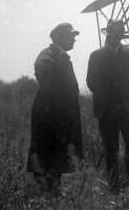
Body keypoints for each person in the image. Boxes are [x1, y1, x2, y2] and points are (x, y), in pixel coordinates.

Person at [87, 19, 129, 191]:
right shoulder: (96, 56)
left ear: (122, 35)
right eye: (112, 33)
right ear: (107, 34)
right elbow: (91, 82)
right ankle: (114, 188)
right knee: (110, 150)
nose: (115, 37)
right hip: (106, 111)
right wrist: (108, 93)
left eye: (119, 33)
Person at [27, 23, 83, 194]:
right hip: (50, 117)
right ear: (58, 37)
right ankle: (44, 195)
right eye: (70, 36)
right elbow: (49, 84)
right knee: (46, 155)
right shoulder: (47, 56)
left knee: (56, 155)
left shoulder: (60, 56)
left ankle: (52, 192)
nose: (74, 39)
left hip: (59, 118)